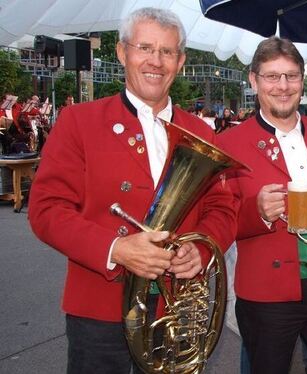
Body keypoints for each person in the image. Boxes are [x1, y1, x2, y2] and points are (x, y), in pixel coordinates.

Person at [27, 7, 237, 373]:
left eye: (167, 51)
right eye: (144, 47)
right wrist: (116, 248)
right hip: (98, 308)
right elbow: (46, 210)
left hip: (176, 307)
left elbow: (223, 207)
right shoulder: (79, 122)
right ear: (123, 53)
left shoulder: (203, 133)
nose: (155, 61)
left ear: (180, 61)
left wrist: (201, 249)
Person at [217, 36, 307, 374]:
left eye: (292, 76)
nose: (283, 86)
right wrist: (257, 212)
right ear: (253, 80)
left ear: (302, 79)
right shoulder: (227, 144)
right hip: (267, 293)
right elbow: (217, 222)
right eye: (272, 76)